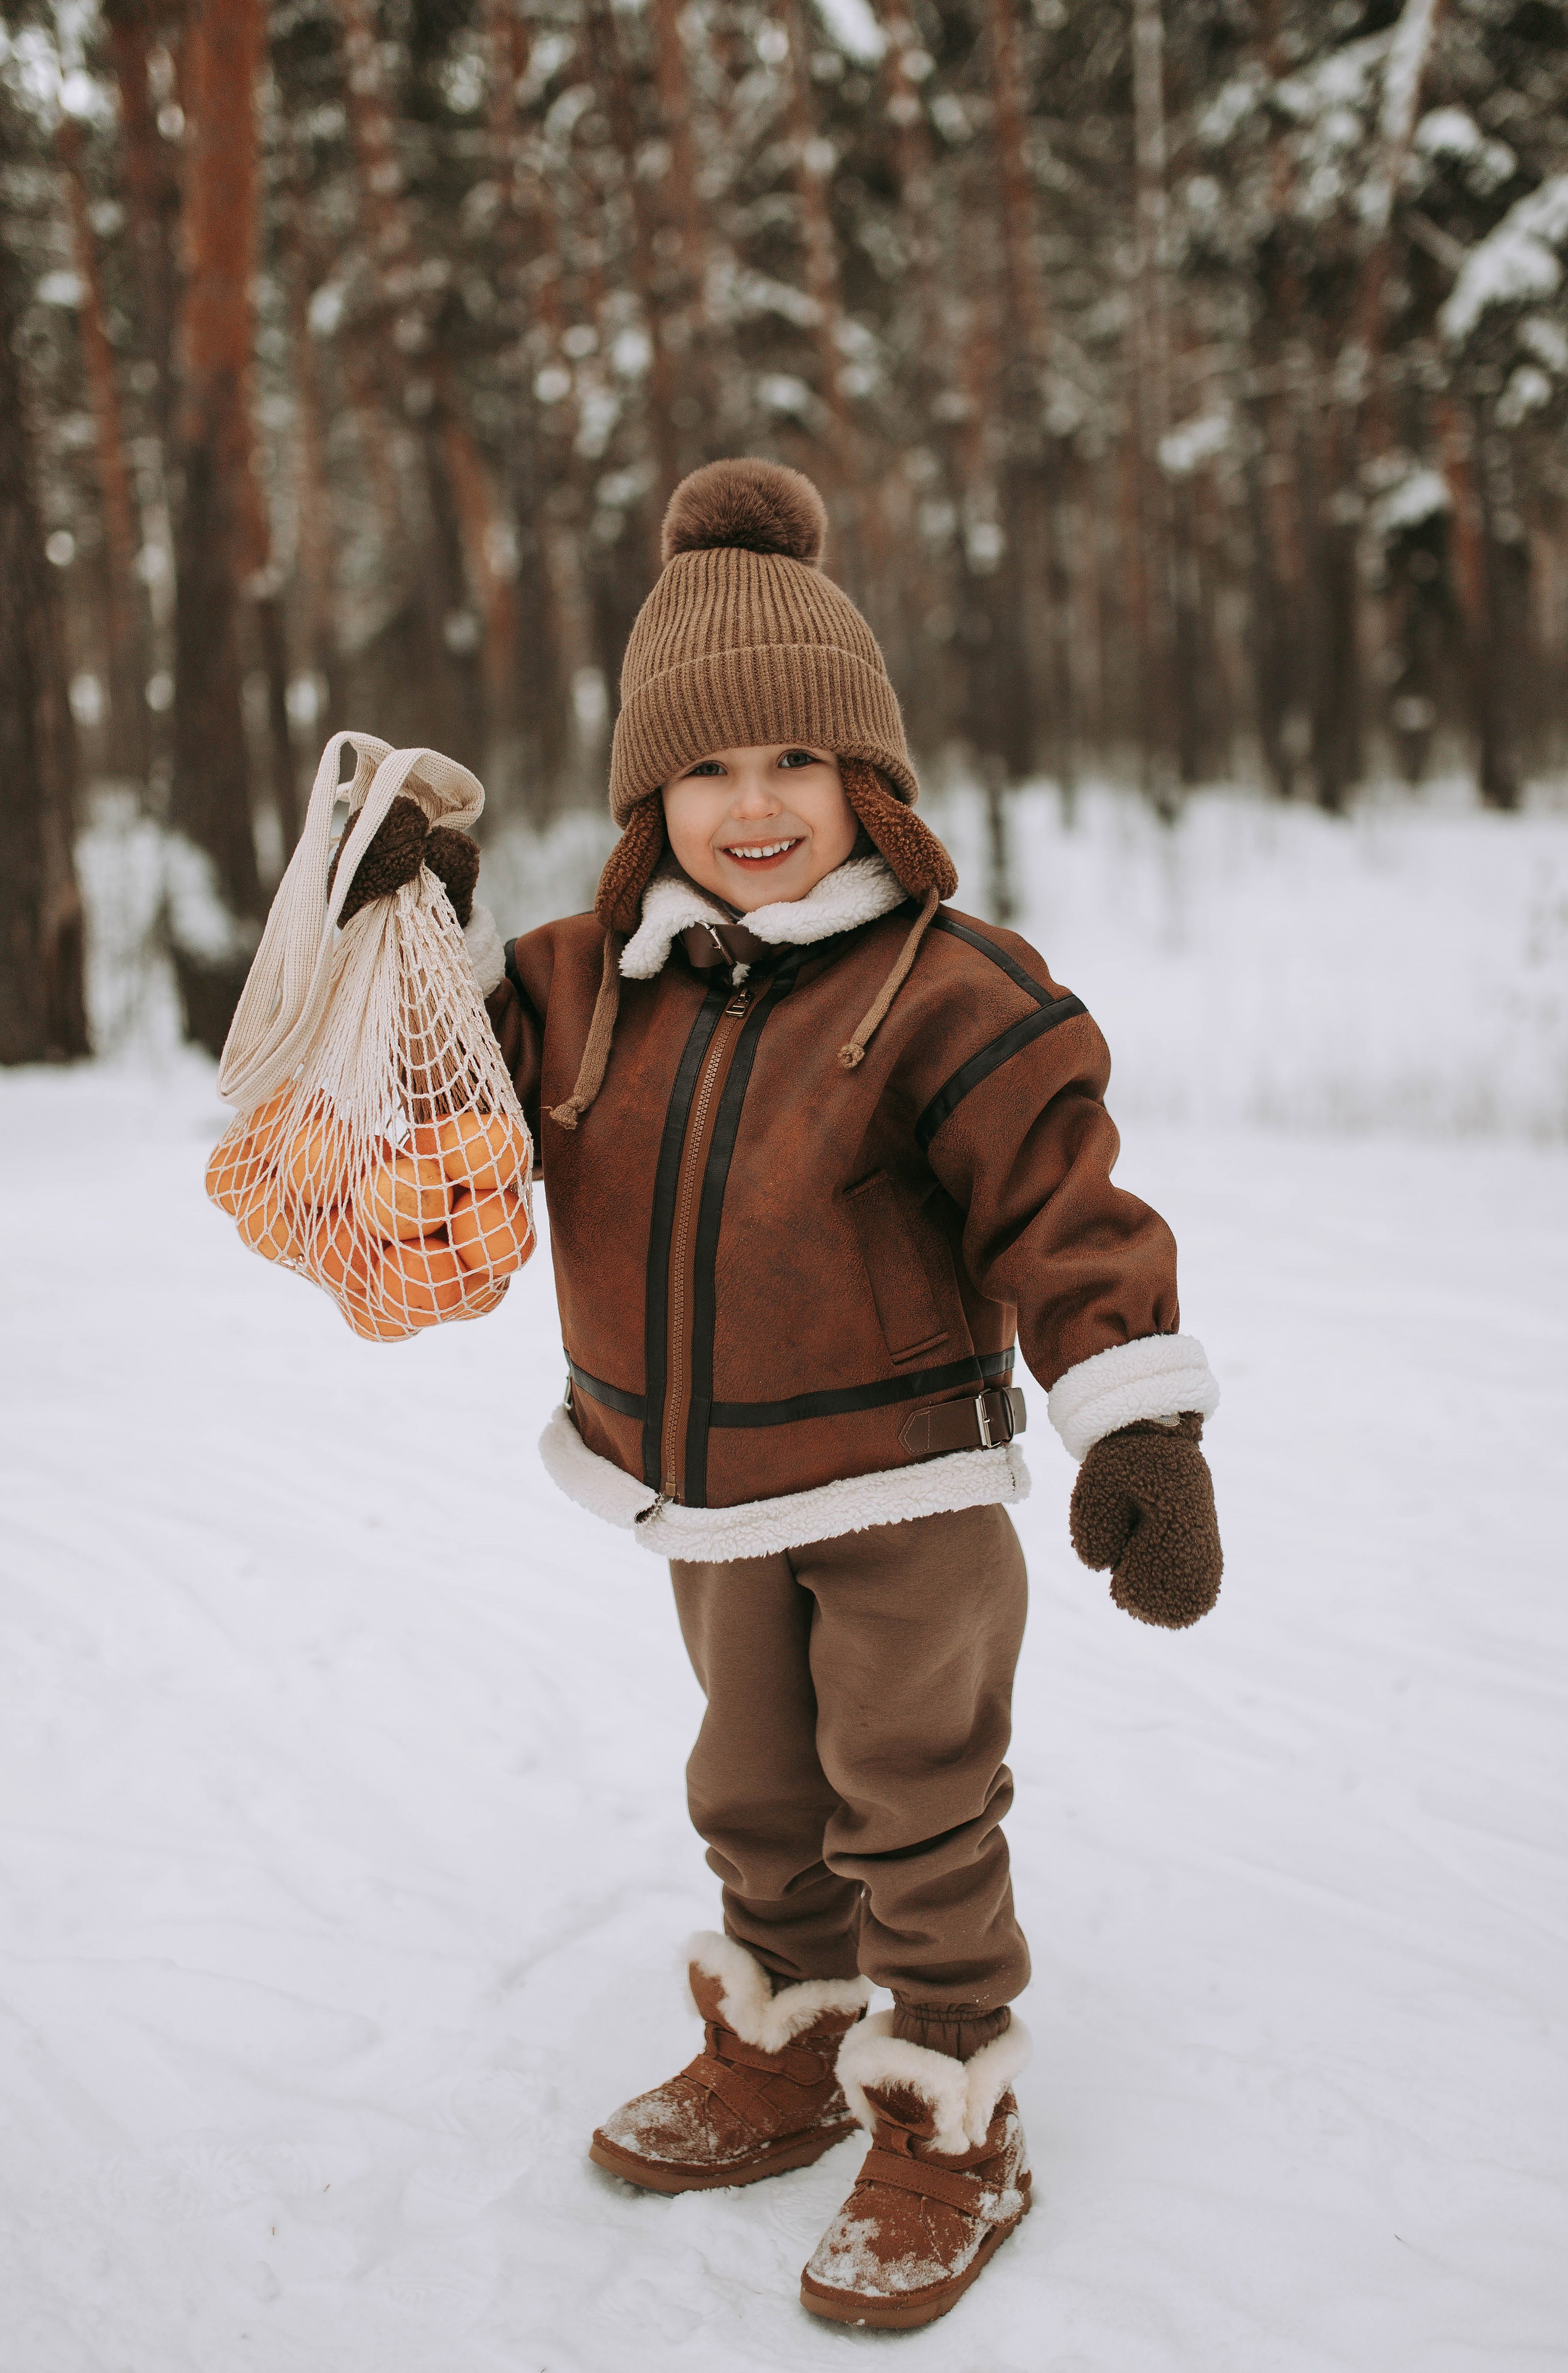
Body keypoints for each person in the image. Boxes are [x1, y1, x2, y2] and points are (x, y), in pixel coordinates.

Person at [340, 457, 1223, 2332]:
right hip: (695, 1491)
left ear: (867, 784)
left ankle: (950, 2105)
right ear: (650, 795)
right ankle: (786, 2041)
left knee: (909, 1796)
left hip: (904, 1495)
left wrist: (1133, 1416)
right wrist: (420, 929)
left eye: (796, 766)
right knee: (755, 1785)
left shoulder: (947, 989)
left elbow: (1067, 1211)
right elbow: (451, 1110)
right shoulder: (585, 983)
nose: (754, 809)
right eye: (708, 771)